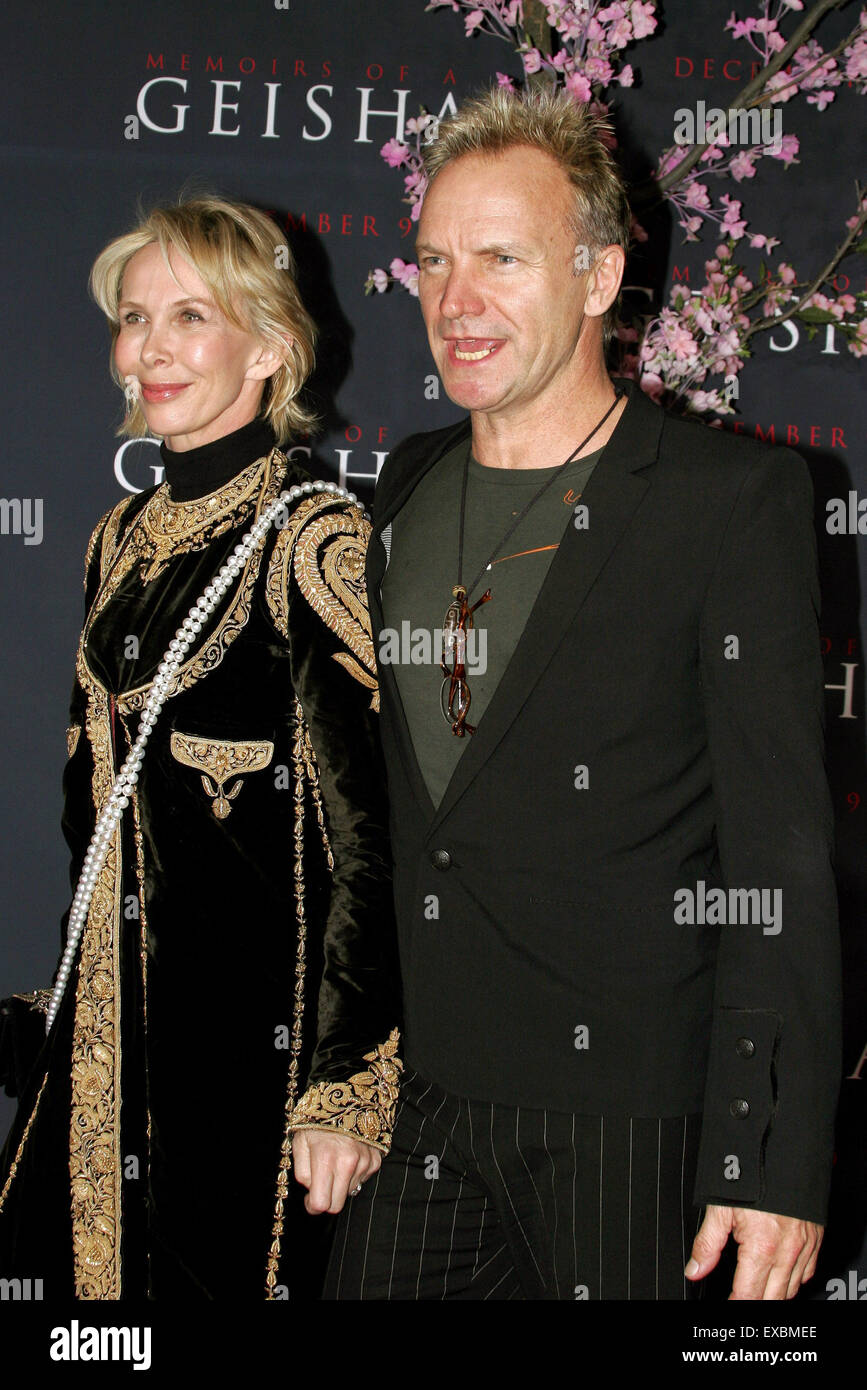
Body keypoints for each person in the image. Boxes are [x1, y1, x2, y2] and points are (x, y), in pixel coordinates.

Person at [322, 89, 842, 1301]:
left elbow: (784, 852)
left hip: (633, 1123)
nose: (458, 301)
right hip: (436, 1101)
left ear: (600, 275)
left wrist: (765, 1156)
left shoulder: (726, 503)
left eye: (503, 258)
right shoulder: (407, 482)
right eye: (437, 260)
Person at [0, 196, 401, 1300]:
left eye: (191, 316)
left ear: (271, 346)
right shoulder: (115, 541)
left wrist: (345, 1085)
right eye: (135, 318)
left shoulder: (313, 541)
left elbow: (380, 841)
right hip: (104, 1057)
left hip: (244, 1086)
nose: (150, 349)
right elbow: (102, 824)